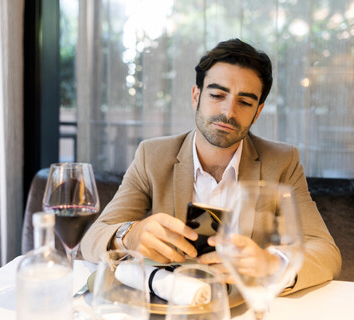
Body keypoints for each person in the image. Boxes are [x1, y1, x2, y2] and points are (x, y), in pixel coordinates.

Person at [80, 38, 341, 293]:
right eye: (217, 95)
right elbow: (94, 238)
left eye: (245, 102)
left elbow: (325, 250)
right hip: (170, 304)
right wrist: (129, 235)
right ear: (196, 96)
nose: (228, 112)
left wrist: (272, 264)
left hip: (243, 308)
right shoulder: (153, 155)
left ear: (258, 111)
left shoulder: (282, 161)